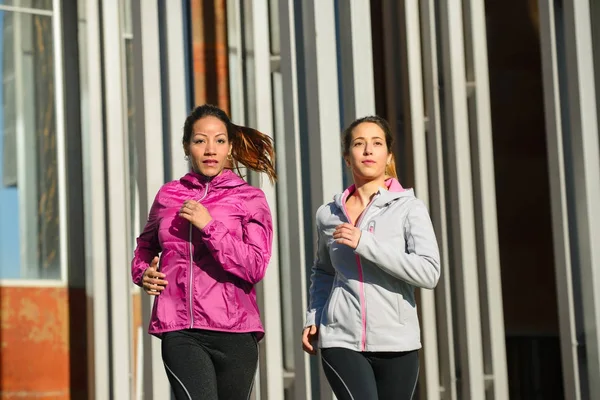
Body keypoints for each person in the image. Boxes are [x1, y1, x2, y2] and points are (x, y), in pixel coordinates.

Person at [131, 104, 276, 400]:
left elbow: (255, 267)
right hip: (180, 329)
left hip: (235, 332)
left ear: (230, 147)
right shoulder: (167, 195)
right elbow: (145, 247)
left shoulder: (250, 198)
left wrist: (209, 226)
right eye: (200, 140)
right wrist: (143, 273)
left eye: (219, 140)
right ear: (187, 147)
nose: (210, 149)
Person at [301, 115, 441, 400]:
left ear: (388, 155)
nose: (367, 150)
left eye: (376, 143)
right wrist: (314, 314)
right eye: (359, 143)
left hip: (398, 343)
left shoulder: (409, 208)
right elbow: (325, 271)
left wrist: (366, 243)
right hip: (340, 338)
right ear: (347, 157)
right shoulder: (327, 214)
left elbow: (429, 272)